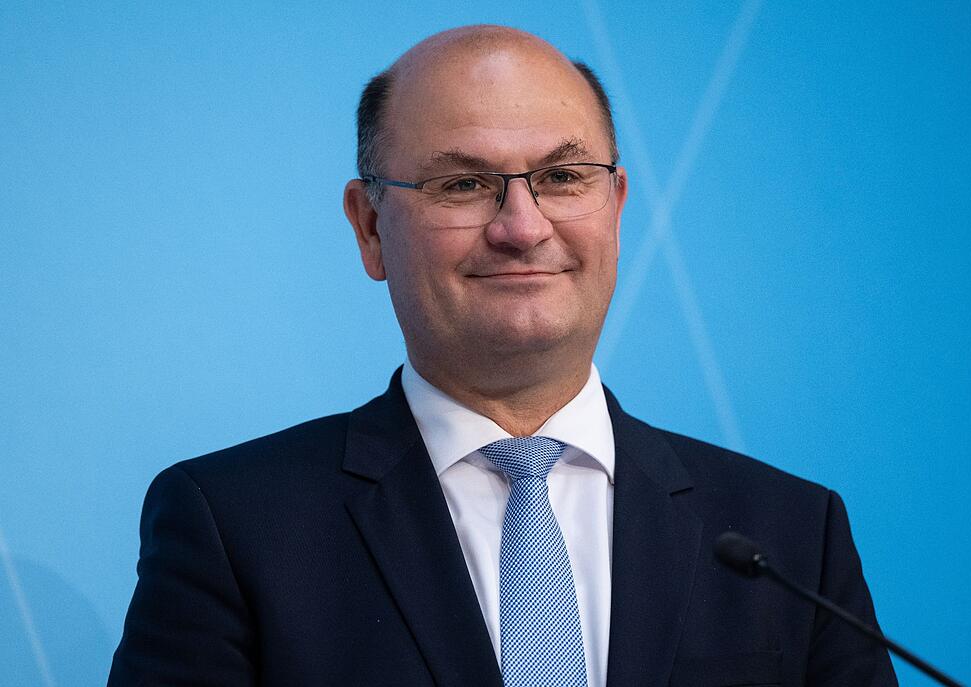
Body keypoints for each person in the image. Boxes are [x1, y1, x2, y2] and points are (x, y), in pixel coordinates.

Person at [108, 25, 897, 687]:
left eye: (562, 176)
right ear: (370, 228)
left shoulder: (789, 537)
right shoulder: (236, 527)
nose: (522, 226)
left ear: (616, 208)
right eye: (462, 184)